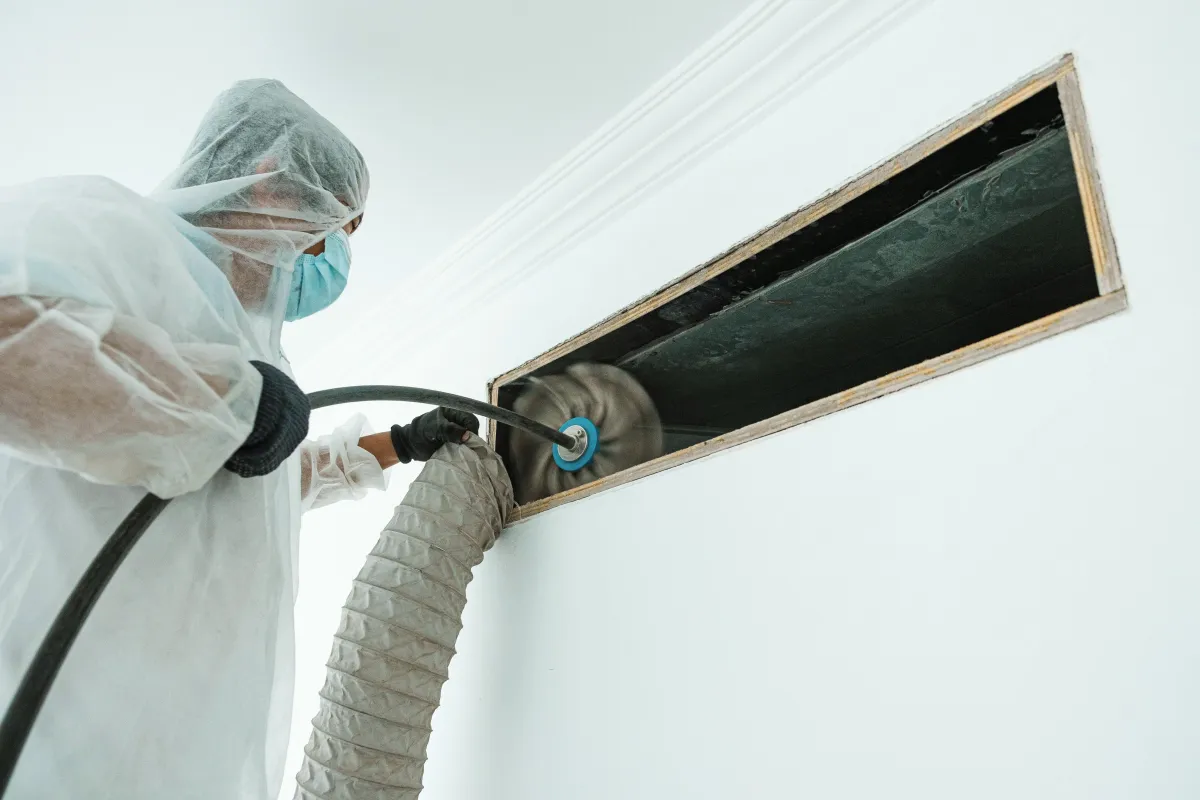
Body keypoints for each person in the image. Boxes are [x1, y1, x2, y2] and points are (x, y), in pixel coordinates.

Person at [0, 79, 477, 799]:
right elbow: (15, 345)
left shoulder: (240, 343)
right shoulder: (105, 228)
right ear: (268, 185)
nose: (326, 263)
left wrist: (399, 444)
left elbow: (254, 483)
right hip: (48, 733)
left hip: (173, 759)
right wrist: (230, 403)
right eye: (332, 232)